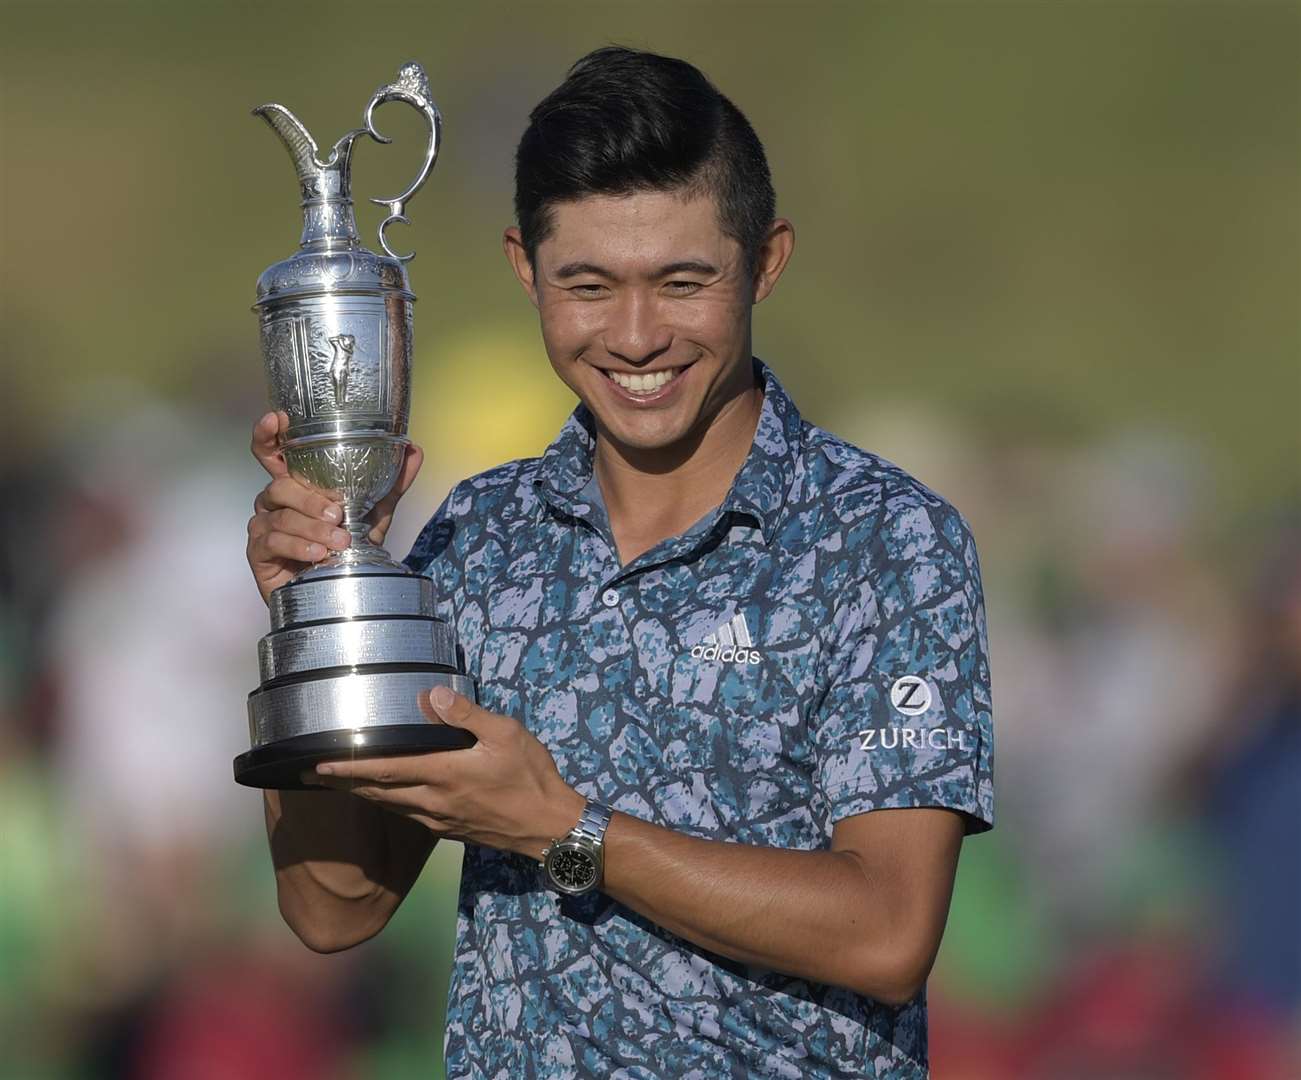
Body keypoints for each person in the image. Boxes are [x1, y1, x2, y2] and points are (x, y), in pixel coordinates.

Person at [245, 46, 995, 1079]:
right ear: (524, 268)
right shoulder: (480, 534)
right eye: (587, 286)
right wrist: (308, 629)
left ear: (764, 261)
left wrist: (564, 828)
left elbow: (885, 933)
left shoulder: (884, 541)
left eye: (682, 283)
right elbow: (335, 908)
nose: (636, 337)